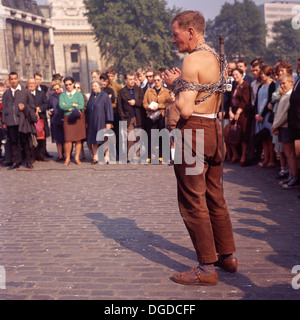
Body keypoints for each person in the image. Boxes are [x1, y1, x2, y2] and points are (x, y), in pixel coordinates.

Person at [164, 10, 237, 286]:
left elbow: (184, 109)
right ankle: (227, 256)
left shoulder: (192, 59)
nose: (174, 40)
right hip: (214, 131)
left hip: (193, 132)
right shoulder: (219, 58)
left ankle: (206, 269)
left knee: (193, 200)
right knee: (215, 196)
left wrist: (174, 85)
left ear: (190, 31)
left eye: (176, 34)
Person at [2, 72, 37, 169]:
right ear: (9, 80)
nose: (13, 81)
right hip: (10, 121)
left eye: (15, 79)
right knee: (13, 142)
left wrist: (24, 107)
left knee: (25, 141)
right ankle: (15, 161)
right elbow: (4, 108)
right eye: (11, 79)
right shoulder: (6, 93)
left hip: (22, 121)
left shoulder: (25, 92)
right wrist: (4, 122)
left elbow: (32, 106)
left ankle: (28, 161)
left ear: (18, 79)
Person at [271, 74, 299, 188]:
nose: (282, 86)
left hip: (286, 127)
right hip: (281, 127)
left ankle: (294, 176)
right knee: (287, 154)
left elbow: (284, 115)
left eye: (284, 83)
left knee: (290, 154)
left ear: (291, 83)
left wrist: (275, 125)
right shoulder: (284, 95)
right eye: (281, 84)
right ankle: (291, 175)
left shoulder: (289, 96)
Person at [143, 71, 174, 163]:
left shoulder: (166, 91)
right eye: (155, 80)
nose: (156, 82)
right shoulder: (149, 91)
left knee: (161, 135)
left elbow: (169, 103)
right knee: (150, 135)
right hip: (151, 116)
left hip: (162, 116)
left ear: (161, 80)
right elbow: (144, 102)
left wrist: (159, 106)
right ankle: (149, 155)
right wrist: (149, 106)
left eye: (158, 80)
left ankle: (161, 155)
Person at [117, 72, 145, 162]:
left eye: (133, 79)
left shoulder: (139, 90)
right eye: (130, 79)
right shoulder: (122, 91)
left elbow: (143, 102)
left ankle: (137, 154)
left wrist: (135, 102)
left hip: (138, 116)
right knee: (129, 137)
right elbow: (119, 106)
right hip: (127, 117)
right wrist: (123, 116)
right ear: (126, 80)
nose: (132, 81)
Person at [59, 76, 86, 166]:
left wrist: (68, 105)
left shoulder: (79, 94)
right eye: (66, 85)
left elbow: (81, 106)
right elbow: (62, 106)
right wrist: (73, 105)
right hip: (67, 118)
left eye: (70, 84)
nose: (68, 86)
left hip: (78, 118)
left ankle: (77, 157)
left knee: (78, 139)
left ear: (73, 84)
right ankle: (67, 158)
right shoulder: (62, 95)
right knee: (68, 139)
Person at [86, 79, 114, 164]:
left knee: (104, 138)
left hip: (102, 120)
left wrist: (109, 121)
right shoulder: (92, 96)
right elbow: (88, 109)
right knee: (94, 138)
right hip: (92, 120)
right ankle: (95, 155)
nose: (94, 87)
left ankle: (107, 155)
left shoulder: (104, 96)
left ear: (100, 86)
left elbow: (108, 109)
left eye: (96, 86)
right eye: (93, 86)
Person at [227, 68, 251, 165]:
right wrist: (230, 111)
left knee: (243, 135)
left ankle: (243, 156)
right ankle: (235, 154)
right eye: (233, 75)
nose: (235, 76)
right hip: (233, 113)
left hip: (242, 114)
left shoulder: (246, 86)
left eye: (237, 74)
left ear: (242, 74)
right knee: (232, 134)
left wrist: (237, 113)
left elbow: (245, 101)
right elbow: (230, 100)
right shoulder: (235, 86)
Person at [254, 65, 276, 168]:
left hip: (266, 116)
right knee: (263, 138)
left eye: (263, 73)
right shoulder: (260, 86)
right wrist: (256, 114)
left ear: (268, 74)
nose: (262, 76)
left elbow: (269, 102)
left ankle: (272, 159)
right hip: (259, 116)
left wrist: (262, 115)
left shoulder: (272, 85)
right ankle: (265, 159)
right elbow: (257, 101)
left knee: (269, 138)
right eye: (261, 73)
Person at [27, 78, 50, 162]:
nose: (31, 85)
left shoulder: (41, 93)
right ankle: (32, 156)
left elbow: (46, 104)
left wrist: (39, 109)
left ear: (36, 84)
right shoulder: (25, 94)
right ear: (27, 84)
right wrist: (32, 111)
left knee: (42, 137)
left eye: (33, 83)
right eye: (30, 84)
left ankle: (41, 155)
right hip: (29, 119)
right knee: (31, 138)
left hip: (41, 118)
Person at [48, 80, 64, 161]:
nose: (56, 91)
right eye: (54, 89)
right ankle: (60, 155)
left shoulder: (64, 95)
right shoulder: (51, 96)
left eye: (57, 89)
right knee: (58, 139)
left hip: (63, 118)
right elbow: (49, 106)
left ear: (61, 88)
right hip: (54, 119)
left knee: (65, 138)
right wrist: (49, 111)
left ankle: (67, 154)